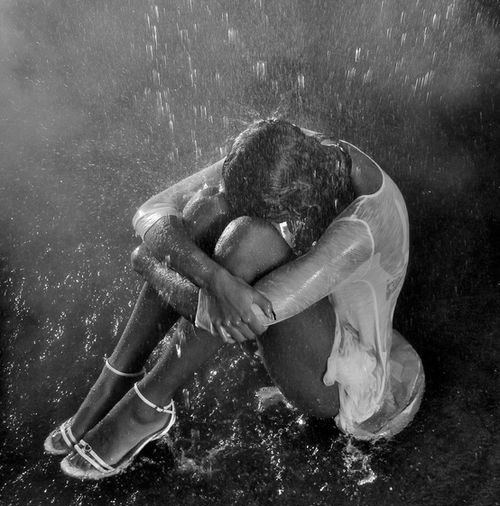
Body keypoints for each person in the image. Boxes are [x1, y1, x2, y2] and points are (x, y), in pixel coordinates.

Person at [43, 119, 424, 479]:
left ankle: (146, 409)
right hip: (306, 318)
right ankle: (118, 375)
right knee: (209, 207)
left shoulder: (361, 230)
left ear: (291, 210)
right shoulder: (294, 150)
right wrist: (213, 277)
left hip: (346, 379)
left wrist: (150, 263)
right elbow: (153, 211)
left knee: (248, 240)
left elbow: (248, 316)